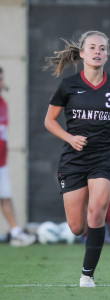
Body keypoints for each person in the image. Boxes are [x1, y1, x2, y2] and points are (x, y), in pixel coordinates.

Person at [44, 31, 110, 287]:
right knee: (77, 227)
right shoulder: (68, 85)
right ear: (83, 53)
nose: (98, 52)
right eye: (93, 48)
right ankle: (83, 236)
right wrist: (70, 138)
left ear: (107, 55)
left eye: (102, 48)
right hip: (74, 160)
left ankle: (87, 275)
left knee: (96, 212)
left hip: (103, 157)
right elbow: (49, 121)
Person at [0, 67, 36, 246]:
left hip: (2, 161)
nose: (1, 83)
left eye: (1, 79)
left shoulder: (3, 103)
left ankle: (15, 232)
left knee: (5, 196)